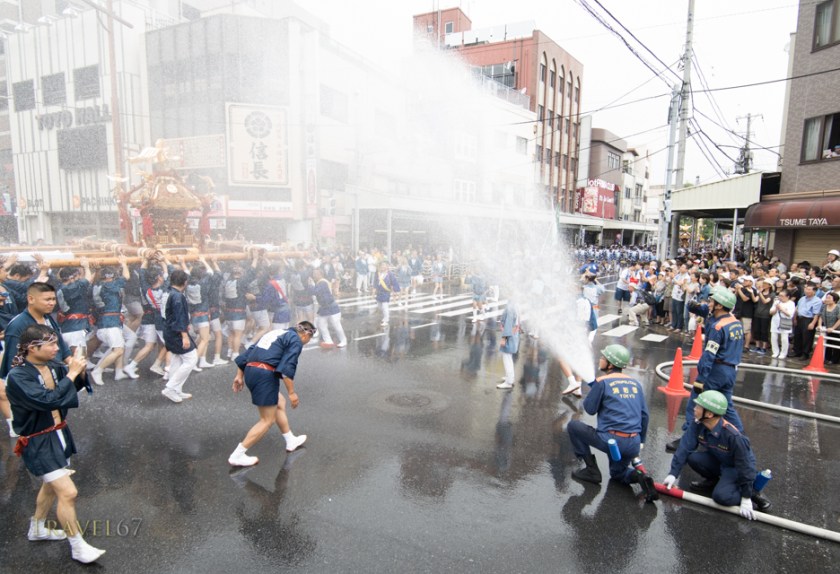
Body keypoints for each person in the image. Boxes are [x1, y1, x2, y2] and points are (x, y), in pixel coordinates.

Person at [5, 324, 105, 563]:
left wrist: (79, 371)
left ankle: (37, 528)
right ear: (32, 348)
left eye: (55, 343)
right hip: (38, 441)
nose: (55, 348)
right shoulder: (18, 376)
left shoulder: (52, 366)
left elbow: (72, 389)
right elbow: (47, 401)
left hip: (60, 434)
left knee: (51, 486)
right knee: (68, 492)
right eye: (50, 344)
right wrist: (71, 374)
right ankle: (78, 546)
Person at [566, 344, 657, 502]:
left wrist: (594, 388)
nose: (599, 360)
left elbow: (589, 409)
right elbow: (645, 415)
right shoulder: (635, 383)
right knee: (618, 474)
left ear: (610, 363)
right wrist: (640, 441)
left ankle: (591, 470)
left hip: (612, 441)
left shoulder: (602, 382)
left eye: (602, 358)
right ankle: (639, 476)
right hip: (633, 442)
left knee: (573, 426)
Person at [662, 390, 771, 518]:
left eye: (698, 407)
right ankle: (713, 481)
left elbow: (745, 467)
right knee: (693, 458)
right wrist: (673, 474)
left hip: (735, 468)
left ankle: (754, 491)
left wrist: (746, 497)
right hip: (719, 461)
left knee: (721, 497)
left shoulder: (733, 436)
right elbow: (684, 448)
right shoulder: (698, 424)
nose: (694, 409)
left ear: (708, 414)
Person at [667, 286, 744, 453]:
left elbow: (709, 354)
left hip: (715, 370)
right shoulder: (734, 322)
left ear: (719, 305)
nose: (708, 303)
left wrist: (701, 378)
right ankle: (740, 438)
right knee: (728, 406)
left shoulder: (718, 328)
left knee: (696, 404)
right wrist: (694, 306)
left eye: (711, 301)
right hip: (730, 371)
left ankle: (688, 440)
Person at [227, 322, 315, 466]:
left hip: (251, 371)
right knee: (267, 420)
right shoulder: (296, 341)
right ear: (306, 335)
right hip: (264, 374)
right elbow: (287, 367)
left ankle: (290, 439)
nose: (306, 343)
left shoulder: (277, 333)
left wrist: (239, 375)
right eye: (308, 340)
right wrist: (292, 393)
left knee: (279, 402)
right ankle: (237, 455)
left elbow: (250, 351)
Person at [1, 283, 73, 437]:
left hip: (53, 376)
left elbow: (60, 344)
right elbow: (15, 364)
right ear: (31, 299)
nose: (52, 303)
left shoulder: (47, 318)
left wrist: (70, 361)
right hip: (35, 382)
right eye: (47, 299)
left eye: (53, 299)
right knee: (40, 429)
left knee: (56, 421)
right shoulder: (18, 325)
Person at [88, 257, 130, 386]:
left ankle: (118, 371)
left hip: (105, 321)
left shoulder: (97, 285)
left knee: (118, 346)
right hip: (110, 323)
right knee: (118, 350)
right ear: (111, 276)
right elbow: (126, 277)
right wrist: (123, 263)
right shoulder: (113, 285)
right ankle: (97, 370)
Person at [161, 269, 197, 403]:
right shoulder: (178, 296)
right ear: (185, 282)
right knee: (191, 359)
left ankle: (176, 389)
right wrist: (184, 335)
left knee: (177, 358)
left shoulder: (167, 291)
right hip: (176, 332)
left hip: (168, 329)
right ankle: (170, 388)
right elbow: (179, 316)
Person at [311, 267, 347, 348]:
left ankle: (343, 340)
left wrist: (310, 285)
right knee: (321, 324)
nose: (313, 275)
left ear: (320, 274)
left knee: (336, 325)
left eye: (315, 274)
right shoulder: (319, 282)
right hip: (324, 308)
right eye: (313, 273)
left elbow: (315, 291)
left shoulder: (322, 282)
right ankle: (328, 340)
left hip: (331, 307)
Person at [791, 282, 822, 361]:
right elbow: (797, 308)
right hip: (799, 318)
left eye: (809, 289)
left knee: (807, 337)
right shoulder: (802, 298)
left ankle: (805, 353)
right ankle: (797, 351)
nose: (806, 291)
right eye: (806, 289)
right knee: (797, 335)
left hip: (808, 319)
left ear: (814, 291)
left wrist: (812, 323)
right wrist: (794, 318)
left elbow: (816, 314)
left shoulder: (817, 301)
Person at [495, 301, 520, 390]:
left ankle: (509, 382)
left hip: (509, 336)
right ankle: (509, 377)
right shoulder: (515, 304)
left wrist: (504, 338)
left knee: (507, 358)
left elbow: (508, 325)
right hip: (514, 335)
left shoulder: (510, 307)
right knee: (509, 358)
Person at [769, 288, 795, 359]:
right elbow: (771, 312)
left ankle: (783, 353)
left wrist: (782, 309)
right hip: (775, 321)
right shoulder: (777, 302)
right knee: (774, 337)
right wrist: (776, 308)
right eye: (779, 295)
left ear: (788, 296)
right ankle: (775, 352)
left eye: (782, 296)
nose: (780, 297)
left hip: (785, 322)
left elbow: (790, 314)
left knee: (784, 338)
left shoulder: (791, 303)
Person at [373, 261, 400, 327]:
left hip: (386, 292)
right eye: (382, 265)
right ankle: (386, 314)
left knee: (385, 306)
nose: (383, 266)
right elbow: (375, 282)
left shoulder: (390, 274)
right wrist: (374, 290)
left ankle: (386, 319)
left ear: (387, 266)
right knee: (379, 306)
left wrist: (396, 291)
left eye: (384, 265)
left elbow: (394, 281)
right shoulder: (378, 273)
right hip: (379, 292)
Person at [818, 292, 840, 364]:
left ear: (834, 300)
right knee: (827, 343)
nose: (827, 299)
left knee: (836, 344)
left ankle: (834, 360)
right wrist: (819, 325)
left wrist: (833, 328)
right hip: (826, 328)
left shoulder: (838, 307)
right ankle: (827, 358)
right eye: (826, 297)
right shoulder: (824, 306)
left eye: (829, 298)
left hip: (836, 329)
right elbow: (821, 316)